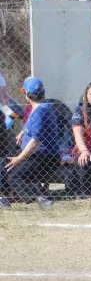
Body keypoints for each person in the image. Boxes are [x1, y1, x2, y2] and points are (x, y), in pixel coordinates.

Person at [3, 78, 63, 208]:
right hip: (36, 155)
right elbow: (31, 126)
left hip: (44, 157)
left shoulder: (41, 110)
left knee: (14, 176)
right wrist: (22, 133)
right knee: (3, 164)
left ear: (26, 93)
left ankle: (40, 199)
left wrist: (19, 158)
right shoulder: (38, 108)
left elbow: (35, 141)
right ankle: (3, 198)